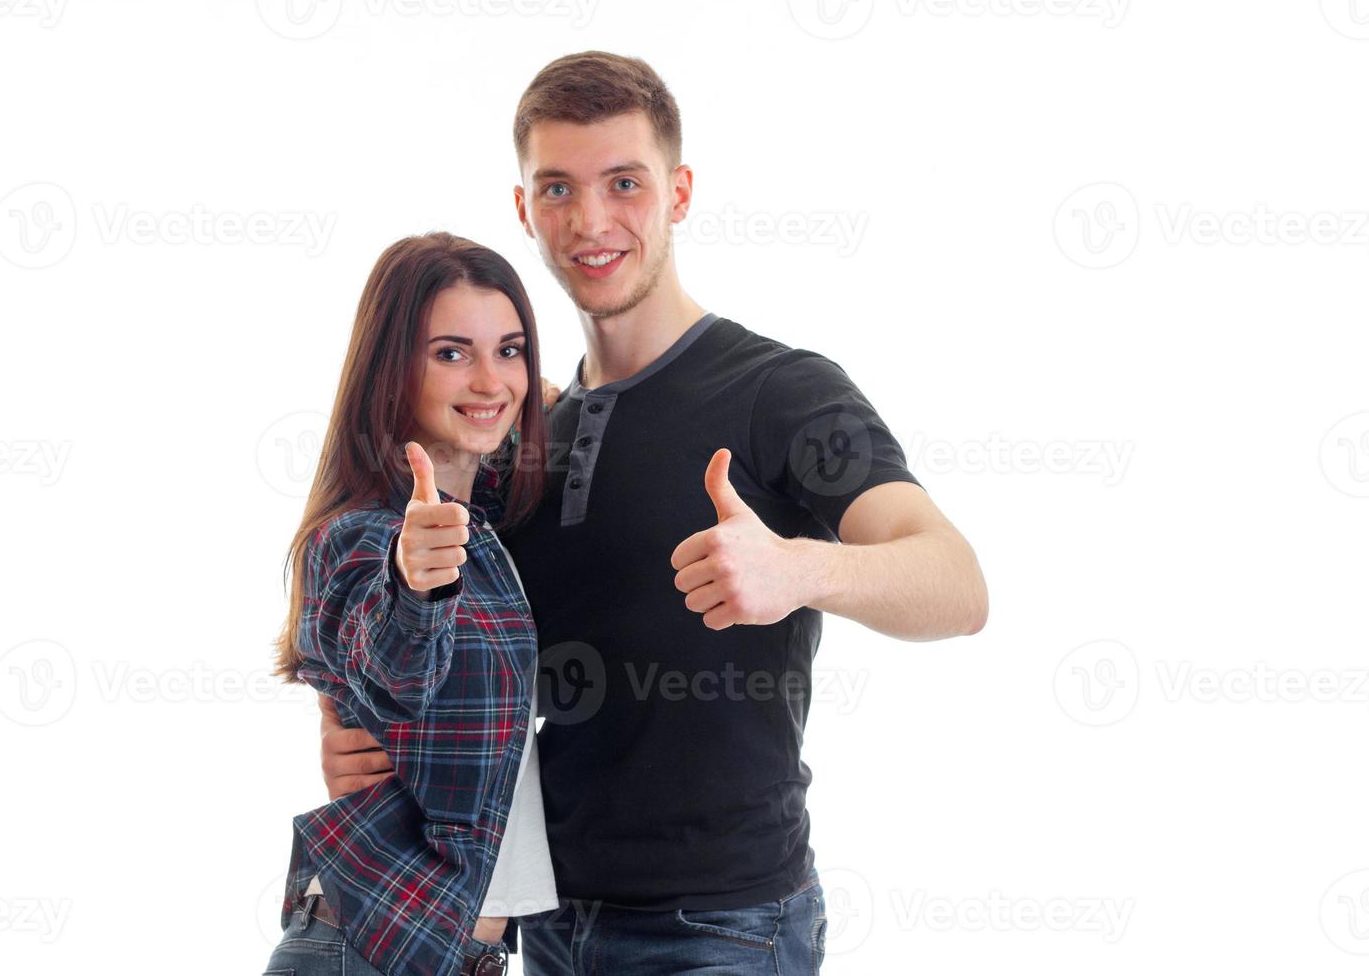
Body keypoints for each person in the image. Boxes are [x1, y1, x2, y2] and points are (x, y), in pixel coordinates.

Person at [319, 52, 990, 975]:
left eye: (623, 183)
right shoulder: (521, 430)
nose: (590, 221)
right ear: (524, 209)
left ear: (677, 192)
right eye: (558, 188)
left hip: (722, 929)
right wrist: (349, 715)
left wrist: (802, 568)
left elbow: (957, 586)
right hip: (549, 927)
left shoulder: (781, 391)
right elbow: (416, 614)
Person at [267, 232, 561, 976]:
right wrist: (416, 585)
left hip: (463, 955)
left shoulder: (488, 520)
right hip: (371, 951)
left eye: (511, 350)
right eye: (451, 353)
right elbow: (392, 672)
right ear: (392, 368)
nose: (490, 380)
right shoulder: (363, 536)